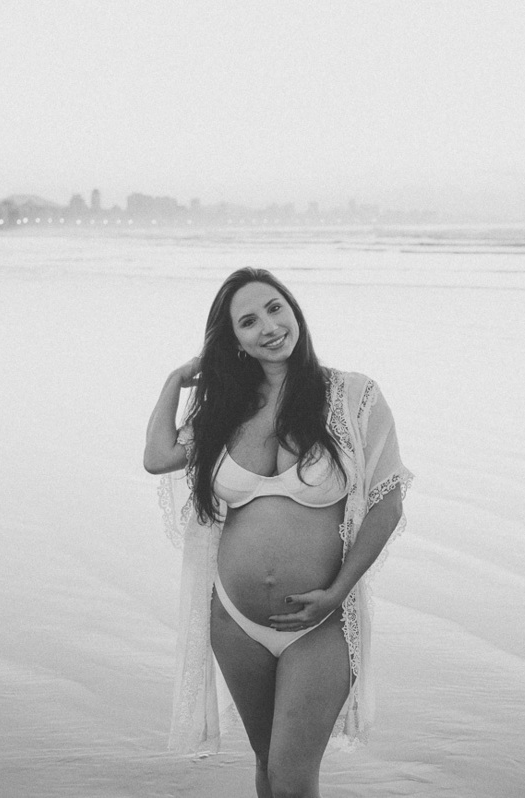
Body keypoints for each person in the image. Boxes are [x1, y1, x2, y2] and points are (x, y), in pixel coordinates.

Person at [144, 268, 412, 798]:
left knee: (291, 777)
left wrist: (337, 592)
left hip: (321, 620)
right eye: (248, 321)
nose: (268, 327)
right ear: (234, 340)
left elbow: (388, 501)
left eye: (274, 308)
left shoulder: (352, 396)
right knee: (268, 767)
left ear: (294, 310)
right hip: (235, 621)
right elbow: (158, 457)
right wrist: (175, 380)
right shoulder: (226, 409)